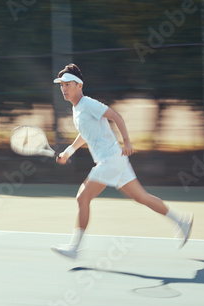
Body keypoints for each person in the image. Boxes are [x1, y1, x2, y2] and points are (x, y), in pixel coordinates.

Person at [50, 63, 193, 259]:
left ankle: (75, 248)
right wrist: (68, 152)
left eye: (68, 84)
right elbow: (85, 134)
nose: (63, 88)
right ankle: (181, 221)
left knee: (82, 198)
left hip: (110, 160)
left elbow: (116, 116)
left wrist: (127, 141)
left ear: (79, 86)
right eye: (61, 85)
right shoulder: (77, 110)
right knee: (141, 197)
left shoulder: (88, 104)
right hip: (114, 160)